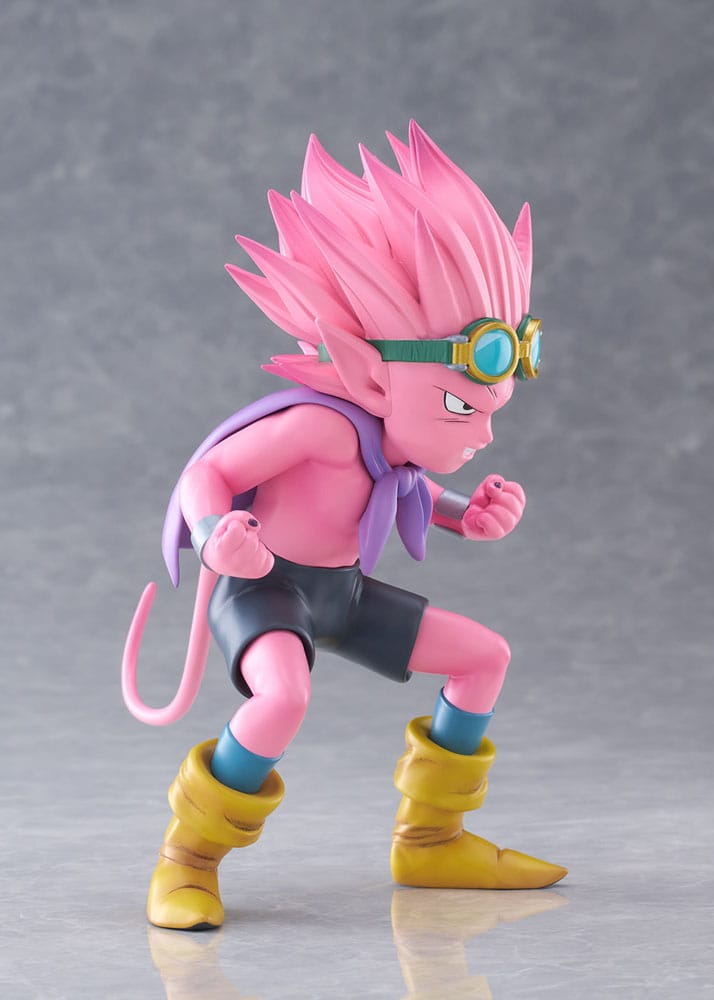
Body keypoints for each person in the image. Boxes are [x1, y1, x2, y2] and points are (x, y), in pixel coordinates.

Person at [122, 120, 566, 931]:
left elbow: (405, 486)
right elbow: (205, 474)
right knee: (283, 698)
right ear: (369, 372)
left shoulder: (391, 443)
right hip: (264, 589)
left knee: (484, 658)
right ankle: (187, 859)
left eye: (493, 408)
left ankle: (431, 839)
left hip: (343, 594)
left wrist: (468, 515)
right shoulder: (321, 428)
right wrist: (216, 531)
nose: (483, 432)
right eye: (462, 405)